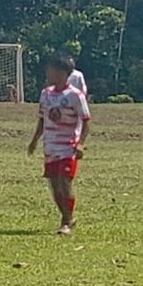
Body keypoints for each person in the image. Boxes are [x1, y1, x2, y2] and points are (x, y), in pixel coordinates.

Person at [29, 56, 90, 235]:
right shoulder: (45, 94)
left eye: (51, 69)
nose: (48, 73)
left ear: (62, 73)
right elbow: (42, 119)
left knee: (64, 183)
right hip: (50, 147)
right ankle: (68, 216)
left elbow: (86, 122)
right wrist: (34, 141)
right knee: (54, 185)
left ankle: (66, 221)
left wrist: (80, 144)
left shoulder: (75, 96)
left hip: (68, 147)